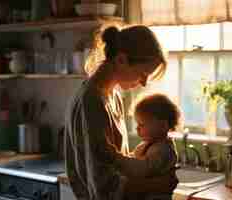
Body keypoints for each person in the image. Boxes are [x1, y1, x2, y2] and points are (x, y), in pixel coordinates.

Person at [64, 25, 177, 200]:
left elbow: (116, 163)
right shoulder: (90, 101)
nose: (145, 83)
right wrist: (159, 184)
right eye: (143, 73)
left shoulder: (113, 95)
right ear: (121, 60)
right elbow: (103, 188)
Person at [116, 93, 180, 200]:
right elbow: (135, 158)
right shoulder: (147, 144)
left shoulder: (164, 150)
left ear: (162, 126)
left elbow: (144, 168)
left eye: (142, 124)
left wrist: (118, 159)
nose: (137, 128)